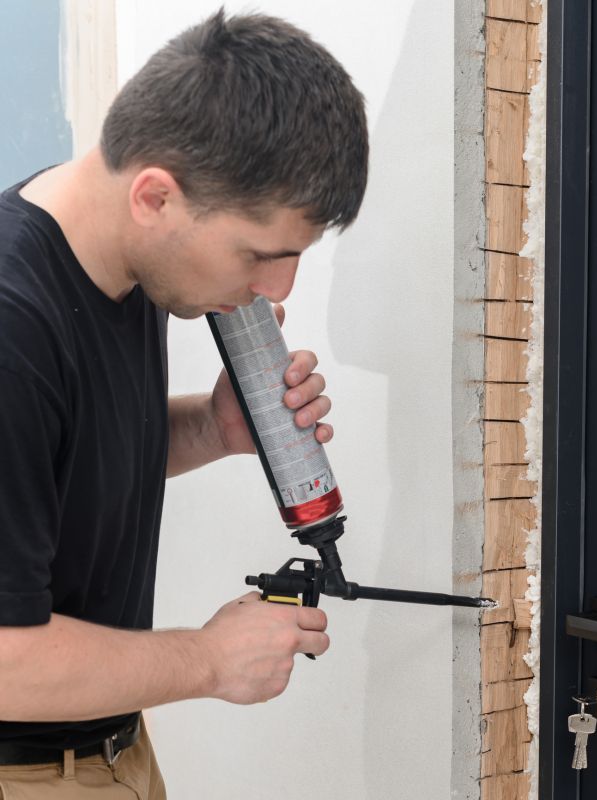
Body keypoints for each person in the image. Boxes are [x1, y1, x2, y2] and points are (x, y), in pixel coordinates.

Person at [0, 9, 368, 798]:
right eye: (259, 255)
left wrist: (210, 427)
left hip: (114, 752)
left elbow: (55, 465)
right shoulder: (11, 327)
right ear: (155, 196)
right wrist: (208, 659)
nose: (277, 287)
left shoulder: (127, 262)